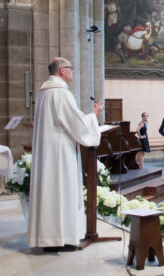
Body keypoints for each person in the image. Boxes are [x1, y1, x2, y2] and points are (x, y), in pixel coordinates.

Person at [27, 57, 103, 251]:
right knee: (62, 189)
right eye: (70, 68)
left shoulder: (44, 92)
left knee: (50, 191)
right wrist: (93, 116)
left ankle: (48, 238)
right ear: (61, 70)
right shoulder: (61, 93)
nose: (73, 71)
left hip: (47, 151)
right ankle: (64, 238)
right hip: (61, 152)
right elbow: (76, 123)